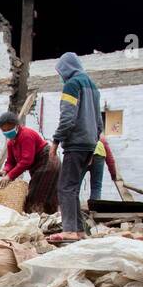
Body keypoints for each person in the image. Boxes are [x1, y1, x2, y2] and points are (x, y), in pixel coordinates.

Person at [48, 51, 103, 240]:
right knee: (73, 188)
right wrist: (93, 143)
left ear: (65, 69)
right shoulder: (93, 87)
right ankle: (79, 231)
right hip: (89, 144)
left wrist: (56, 140)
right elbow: (99, 123)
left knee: (65, 187)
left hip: (76, 143)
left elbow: (68, 117)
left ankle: (70, 230)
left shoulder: (72, 85)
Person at [0, 112, 60, 214]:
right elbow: (10, 161)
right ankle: (43, 217)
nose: (7, 132)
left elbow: (26, 161)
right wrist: (5, 171)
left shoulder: (26, 135)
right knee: (40, 192)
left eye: (9, 129)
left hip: (47, 162)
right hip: (38, 166)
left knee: (37, 193)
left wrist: (9, 176)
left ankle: (40, 217)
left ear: (16, 126)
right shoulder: (11, 143)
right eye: (4, 130)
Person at [88, 135, 125, 200]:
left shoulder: (82, 136)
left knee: (76, 184)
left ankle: (73, 207)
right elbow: (110, 159)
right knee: (96, 186)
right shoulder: (102, 139)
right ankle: (94, 207)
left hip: (84, 153)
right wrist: (113, 174)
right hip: (99, 157)